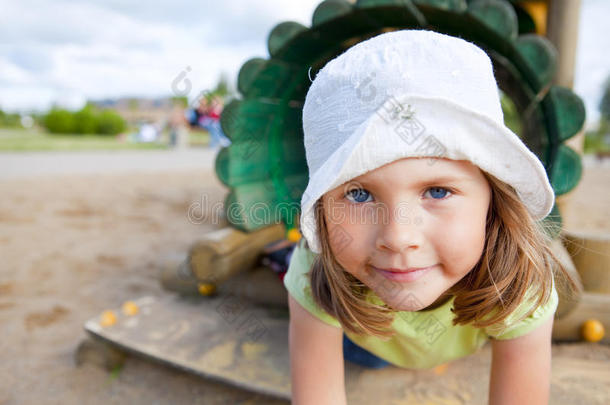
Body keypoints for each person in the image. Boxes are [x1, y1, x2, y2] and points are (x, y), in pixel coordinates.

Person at [283, 30, 578, 404]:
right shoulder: (314, 271)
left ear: (494, 200)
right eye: (358, 193)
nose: (398, 236)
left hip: (466, 330)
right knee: (364, 358)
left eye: (437, 191)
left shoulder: (522, 284)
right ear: (323, 210)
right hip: (363, 334)